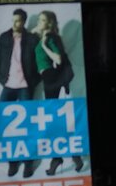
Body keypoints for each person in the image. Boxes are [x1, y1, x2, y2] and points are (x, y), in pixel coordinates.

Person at [34, 10, 84, 176]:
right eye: (39, 20)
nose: (39, 23)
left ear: (49, 23)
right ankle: (68, 156)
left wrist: (43, 46)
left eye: (42, 20)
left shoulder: (50, 38)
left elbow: (58, 59)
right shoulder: (44, 36)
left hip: (52, 79)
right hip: (49, 80)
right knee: (55, 121)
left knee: (56, 121)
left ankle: (62, 158)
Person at [0, 8, 41, 177]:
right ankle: (12, 162)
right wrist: (2, 79)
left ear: (24, 22)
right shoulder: (4, 37)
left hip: (25, 85)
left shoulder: (32, 39)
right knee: (4, 123)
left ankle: (28, 163)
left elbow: (40, 62)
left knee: (27, 125)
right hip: (9, 85)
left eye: (18, 20)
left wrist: (32, 82)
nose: (14, 23)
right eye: (13, 20)